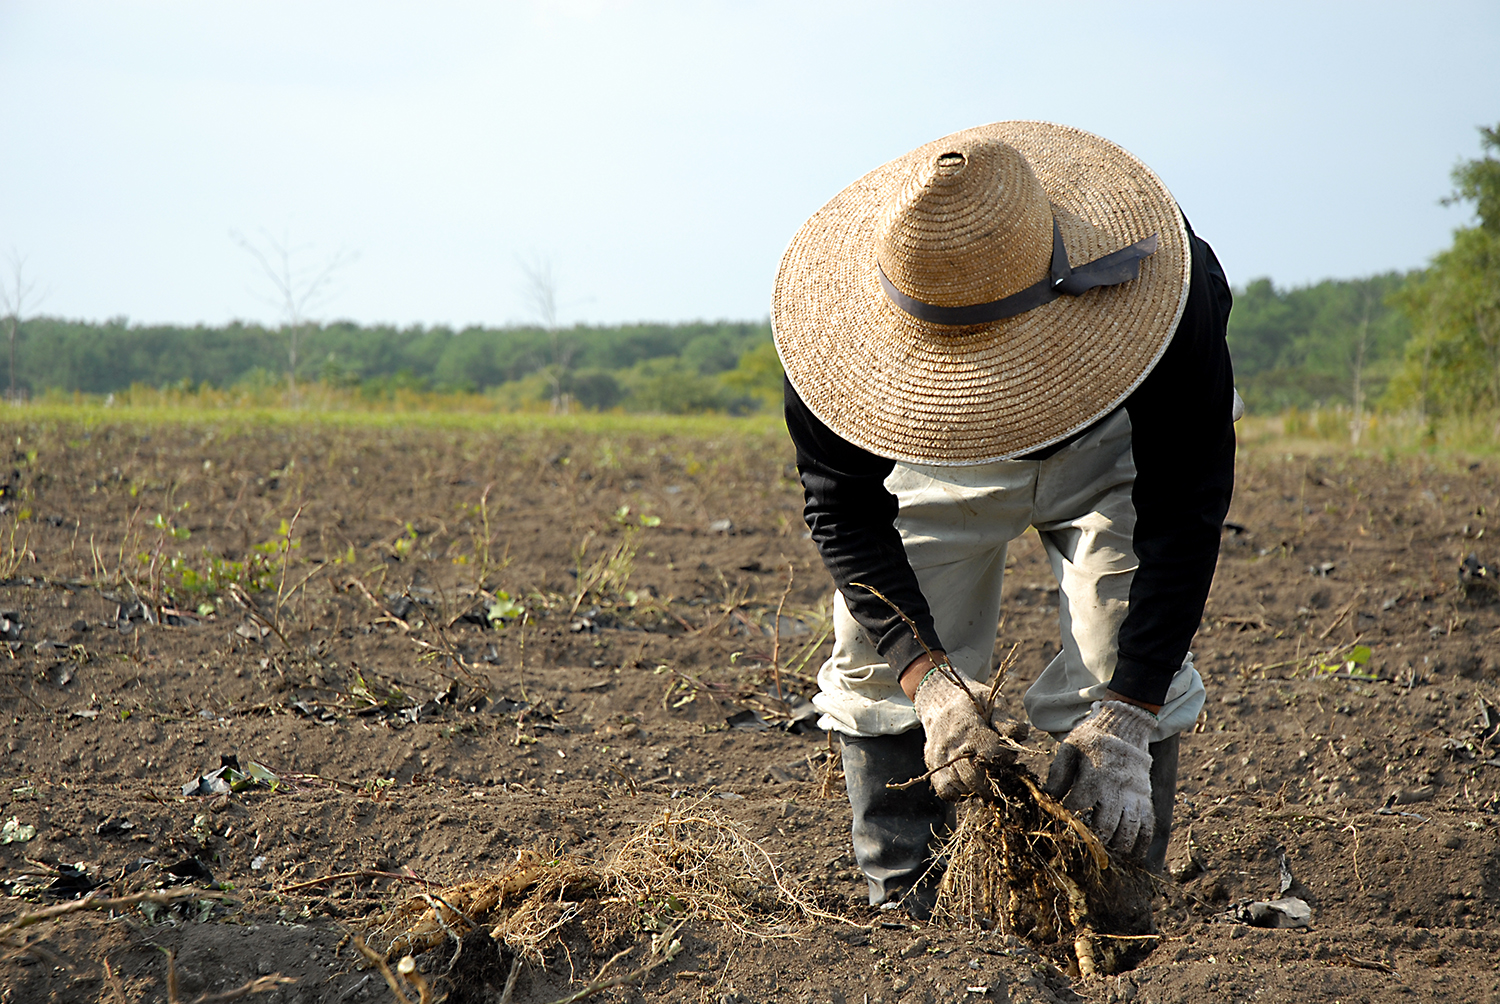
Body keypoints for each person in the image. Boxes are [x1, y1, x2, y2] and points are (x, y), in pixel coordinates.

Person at [772, 122, 1236, 917]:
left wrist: (1129, 716)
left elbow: (1185, 511)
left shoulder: (1172, 292)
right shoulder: (828, 338)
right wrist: (931, 686)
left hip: (1115, 437)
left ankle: (1114, 902)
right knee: (873, 656)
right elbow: (844, 511)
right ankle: (907, 905)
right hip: (933, 447)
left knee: (1114, 645)